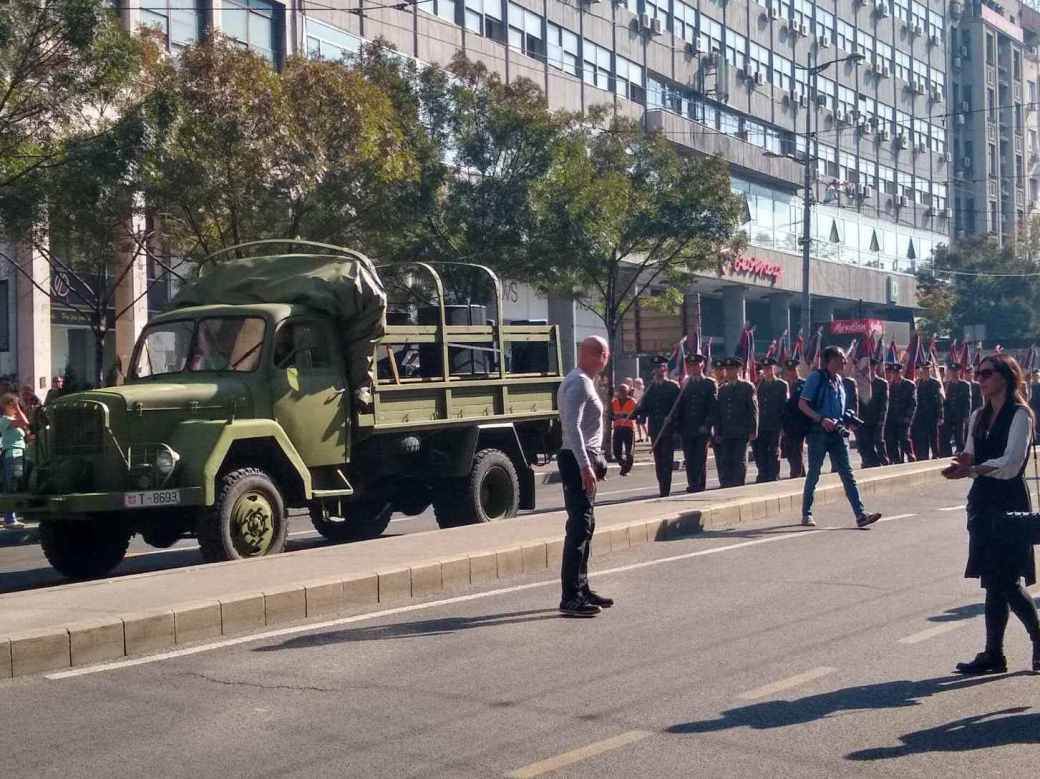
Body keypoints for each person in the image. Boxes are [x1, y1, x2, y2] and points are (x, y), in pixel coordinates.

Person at [943, 353, 1040, 674]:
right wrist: (961, 463)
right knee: (992, 580)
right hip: (982, 502)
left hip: (1009, 501)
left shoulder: (1021, 415)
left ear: (1005, 377)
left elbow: (1012, 463)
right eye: (978, 374)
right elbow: (971, 452)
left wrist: (971, 470)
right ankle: (993, 654)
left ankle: (1037, 641)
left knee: (1007, 580)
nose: (980, 379)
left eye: (986, 373)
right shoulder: (978, 415)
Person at [556, 336, 612, 617]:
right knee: (579, 527)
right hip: (578, 459)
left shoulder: (583, 380)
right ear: (600, 354)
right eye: (606, 354)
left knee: (586, 526)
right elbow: (572, 428)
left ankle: (582, 587)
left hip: (585, 458)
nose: (607, 359)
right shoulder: (578, 382)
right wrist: (585, 466)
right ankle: (571, 597)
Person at [799, 346, 882, 529]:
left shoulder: (841, 381)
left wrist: (848, 419)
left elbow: (840, 409)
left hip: (838, 433)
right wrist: (821, 419)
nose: (844, 362)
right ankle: (807, 513)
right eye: (840, 359)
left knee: (847, 474)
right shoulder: (816, 378)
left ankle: (860, 515)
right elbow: (802, 404)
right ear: (829, 360)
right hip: (818, 433)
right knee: (814, 473)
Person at [670, 352, 717, 493]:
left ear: (701, 365)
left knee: (699, 458)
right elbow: (681, 407)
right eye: (690, 366)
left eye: (695, 365)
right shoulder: (685, 384)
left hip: (702, 428)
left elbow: (712, 407)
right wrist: (677, 425)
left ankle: (699, 484)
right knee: (689, 458)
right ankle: (692, 483)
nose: (692, 368)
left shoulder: (709, 383)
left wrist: (707, 425)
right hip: (687, 428)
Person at [637, 357, 681, 497]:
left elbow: (679, 408)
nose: (659, 371)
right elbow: (645, 407)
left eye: (661, 368)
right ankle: (662, 484)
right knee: (658, 461)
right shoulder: (651, 387)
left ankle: (665, 490)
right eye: (656, 368)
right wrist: (639, 415)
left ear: (665, 369)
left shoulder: (672, 386)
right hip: (655, 429)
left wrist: (672, 419)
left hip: (668, 430)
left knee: (667, 460)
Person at [713, 357, 757, 487]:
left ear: (738, 370)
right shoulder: (722, 389)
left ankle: (738, 485)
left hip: (741, 431)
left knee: (739, 460)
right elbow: (719, 413)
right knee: (726, 460)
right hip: (727, 431)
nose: (729, 372)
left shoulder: (747, 386)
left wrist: (753, 430)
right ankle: (727, 485)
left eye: (732, 369)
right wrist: (718, 431)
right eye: (727, 369)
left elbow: (753, 410)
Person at [753, 357, 787, 482]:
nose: (767, 371)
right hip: (761, 425)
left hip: (775, 424)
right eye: (765, 369)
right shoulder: (759, 385)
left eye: (769, 368)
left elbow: (784, 407)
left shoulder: (781, 385)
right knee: (761, 451)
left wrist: (783, 426)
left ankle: (773, 474)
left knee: (774, 451)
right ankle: (763, 474)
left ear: (774, 369)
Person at [0, 393, 30, 529]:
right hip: (12, 454)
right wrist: (18, 408)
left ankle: (11, 516)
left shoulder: (13, 419)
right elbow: (25, 422)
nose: (16, 407)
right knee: (11, 484)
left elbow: (26, 429)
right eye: (13, 404)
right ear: (6, 405)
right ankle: (9, 519)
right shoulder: (5, 419)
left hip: (20, 453)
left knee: (15, 484)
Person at [858, 357, 889, 468]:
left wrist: (881, 421)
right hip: (863, 420)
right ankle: (870, 464)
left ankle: (885, 463)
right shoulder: (861, 384)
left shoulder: (882, 383)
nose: (867, 369)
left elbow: (884, 405)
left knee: (879, 442)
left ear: (874, 367)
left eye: (870, 367)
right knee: (865, 445)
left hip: (877, 420)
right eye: (865, 367)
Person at [884, 362, 917, 464]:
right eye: (893, 373)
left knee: (904, 439)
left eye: (897, 373)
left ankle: (910, 456)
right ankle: (896, 460)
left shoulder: (909, 385)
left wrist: (908, 417)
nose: (895, 375)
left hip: (903, 418)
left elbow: (912, 403)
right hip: (891, 419)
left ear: (901, 372)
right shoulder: (889, 385)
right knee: (891, 440)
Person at [911, 361, 945, 461]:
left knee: (933, 437)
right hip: (920, 416)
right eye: (923, 369)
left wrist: (940, 416)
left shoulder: (935, 383)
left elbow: (939, 401)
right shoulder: (917, 383)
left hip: (932, 415)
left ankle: (935, 455)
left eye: (927, 369)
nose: (925, 371)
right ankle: (924, 456)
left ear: (930, 370)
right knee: (923, 437)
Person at [780, 359, 807, 478]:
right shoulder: (784, 385)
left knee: (796, 450)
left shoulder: (803, 384)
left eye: (793, 370)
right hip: (786, 424)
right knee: (789, 451)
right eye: (789, 370)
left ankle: (795, 475)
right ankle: (801, 473)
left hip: (799, 423)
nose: (791, 373)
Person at [944, 362, 973, 454]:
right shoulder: (946, 384)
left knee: (959, 437)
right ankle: (947, 455)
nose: (953, 373)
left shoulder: (965, 385)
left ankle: (960, 453)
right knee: (946, 437)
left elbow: (968, 401)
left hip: (959, 415)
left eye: (956, 371)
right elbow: (944, 401)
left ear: (959, 372)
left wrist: (966, 415)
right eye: (952, 371)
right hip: (948, 415)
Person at [609, 383, 637, 477]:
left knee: (629, 452)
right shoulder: (614, 402)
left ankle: (626, 469)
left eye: (624, 391)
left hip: (628, 428)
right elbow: (611, 415)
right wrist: (613, 417)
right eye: (620, 390)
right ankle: (623, 464)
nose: (622, 393)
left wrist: (627, 416)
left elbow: (636, 414)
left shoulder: (632, 402)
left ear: (627, 391)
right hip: (617, 428)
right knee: (616, 451)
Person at [631, 377, 647, 443]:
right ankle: (640, 437)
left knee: (643, 424)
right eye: (636, 383)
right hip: (637, 408)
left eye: (638, 383)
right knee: (637, 424)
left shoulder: (644, 389)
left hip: (643, 408)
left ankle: (647, 436)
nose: (637, 384)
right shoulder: (634, 390)